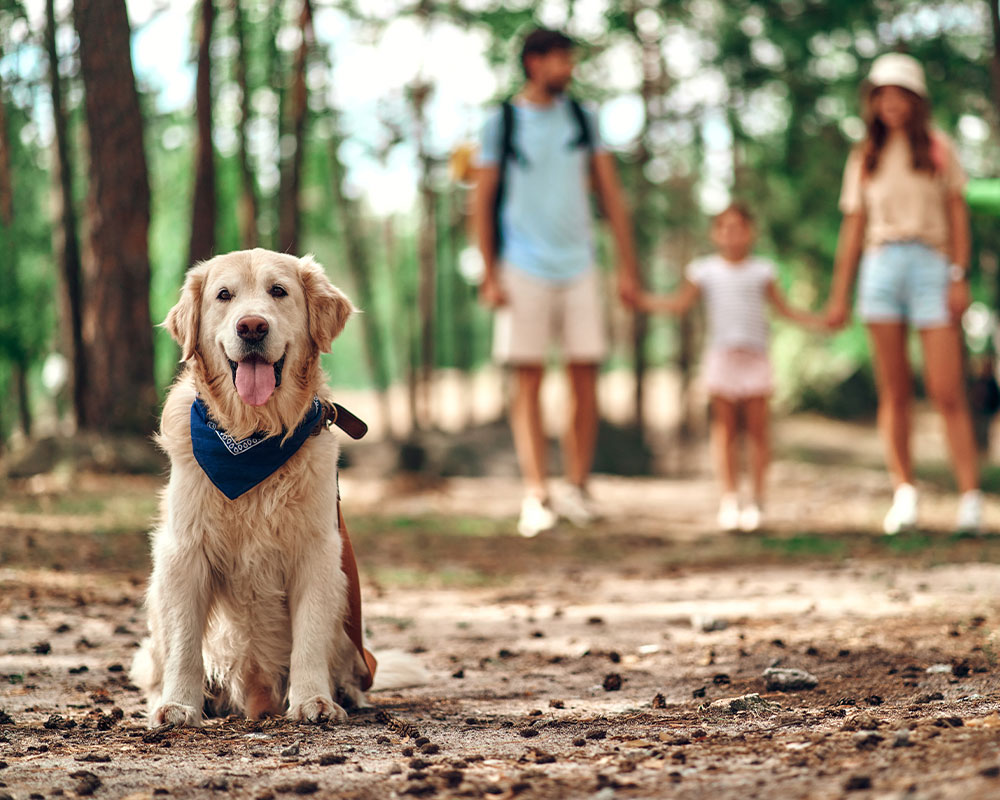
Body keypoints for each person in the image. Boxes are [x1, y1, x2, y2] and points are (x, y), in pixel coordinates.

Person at [474, 27, 640, 538]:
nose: (569, 69)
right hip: (521, 265)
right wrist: (489, 271)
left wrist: (628, 268)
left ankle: (578, 487)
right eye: (561, 60)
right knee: (527, 381)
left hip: (580, 264)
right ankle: (536, 492)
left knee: (586, 375)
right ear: (534, 63)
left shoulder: (583, 119)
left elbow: (610, 195)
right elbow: (480, 201)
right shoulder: (500, 123)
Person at [825, 52, 982, 534]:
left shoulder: (938, 148)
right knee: (893, 390)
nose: (890, 103)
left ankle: (970, 498)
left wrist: (959, 274)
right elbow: (853, 228)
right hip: (881, 266)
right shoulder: (864, 157)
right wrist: (839, 294)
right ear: (872, 102)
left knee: (945, 388)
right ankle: (904, 493)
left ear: (914, 101)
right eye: (881, 95)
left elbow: (958, 215)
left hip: (931, 265)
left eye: (899, 95)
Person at [638, 203, 823, 532]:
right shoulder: (704, 271)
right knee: (724, 431)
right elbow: (680, 303)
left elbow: (784, 310)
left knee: (756, 432)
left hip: (755, 357)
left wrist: (821, 321)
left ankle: (758, 500)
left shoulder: (762, 271)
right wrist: (642, 301)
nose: (732, 234)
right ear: (715, 233)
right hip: (722, 358)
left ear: (751, 232)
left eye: (739, 227)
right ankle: (730, 498)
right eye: (725, 227)